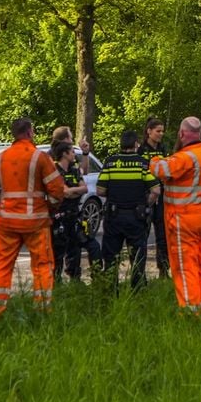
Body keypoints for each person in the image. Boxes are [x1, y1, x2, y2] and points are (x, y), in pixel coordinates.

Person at [0, 117, 66, 316]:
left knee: (2, 265)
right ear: (30, 132)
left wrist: (0, 200)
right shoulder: (40, 158)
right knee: (42, 265)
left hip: (7, 222)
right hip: (36, 222)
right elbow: (57, 191)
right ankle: (42, 310)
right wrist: (49, 207)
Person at [149, 116, 201, 321]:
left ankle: (189, 314)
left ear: (181, 134)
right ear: (200, 134)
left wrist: (154, 159)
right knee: (200, 265)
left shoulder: (186, 157)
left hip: (184, 218)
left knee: (184, 266)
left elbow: (161, 169)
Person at [96, 130, 160, 291]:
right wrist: (146, 204)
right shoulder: (142, 163)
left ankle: (110, 289)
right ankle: (137, 289)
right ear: (136, 144)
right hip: (136, 216)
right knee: (137, 256)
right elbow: (156, 190)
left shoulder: (110, 162)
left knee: (111, 256)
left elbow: (100, 190)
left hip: (114, 216)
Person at [50, 141, 100, 282]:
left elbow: (84, 188)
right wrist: (73, 191)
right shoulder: (54, 171)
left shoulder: (74, 170)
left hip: (74, 216)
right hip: (59, 218)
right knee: (58, 253)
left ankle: (80, 280)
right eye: (72, 152)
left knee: (86, 247)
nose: (74, 155)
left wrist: (72, 191)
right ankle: (56, 283)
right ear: (64, 154)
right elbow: (64, 192)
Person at [138, 117, 170, 278]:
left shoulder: (163, 148)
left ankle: (163, 270)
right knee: (142, 234)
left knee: (163, 235)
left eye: (162, 131)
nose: (161, 134)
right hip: (146, 195)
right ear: (149, 131)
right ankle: (140, 271)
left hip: (162, 195)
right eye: (158, 131)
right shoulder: (141, 150)